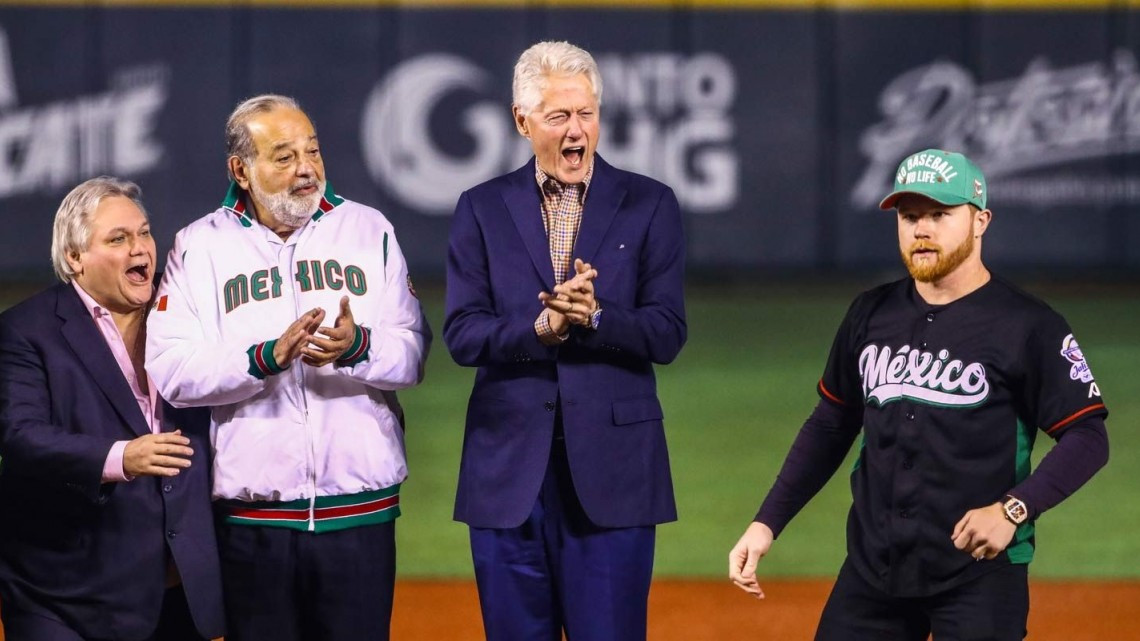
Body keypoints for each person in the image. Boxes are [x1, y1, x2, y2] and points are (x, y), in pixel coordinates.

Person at [728, 149, 1110, 640]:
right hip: (873, 571)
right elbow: (830, 423)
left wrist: (1014, 509)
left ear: (980, 221)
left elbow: (1087, 435)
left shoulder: (1028, 325)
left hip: (980, 574)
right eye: (909, 217)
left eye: (939, 214)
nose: (921, 229)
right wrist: (766, 523)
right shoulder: (871, 312)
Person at [145, 95, 430, 641]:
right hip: (254, 519)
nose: (306, 168)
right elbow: (173, 370)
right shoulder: (199, 246)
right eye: (283, 156)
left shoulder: (368, 230)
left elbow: (414, 352)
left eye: (313, 151)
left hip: (360, 512)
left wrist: (357, 347)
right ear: (241, 170)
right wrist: (264, 359)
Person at [443, 40, 687, 641]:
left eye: (586, 114)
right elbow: (462, 332)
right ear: (522, 121)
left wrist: (597, 316)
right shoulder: (480, 209)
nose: (577, 131)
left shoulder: (650, 203)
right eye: (559, 116)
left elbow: (667, 331)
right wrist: (540, 329)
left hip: (614, 472)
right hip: (508, 473)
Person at [0, 177, 225, 641]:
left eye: (143, 233)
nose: (139, 249)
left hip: (179, 584)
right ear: (75, 258)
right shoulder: (25, 332)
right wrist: (120, 457)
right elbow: (20, 437)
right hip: (65, 595)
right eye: (118, 239)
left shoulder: (187, 312)